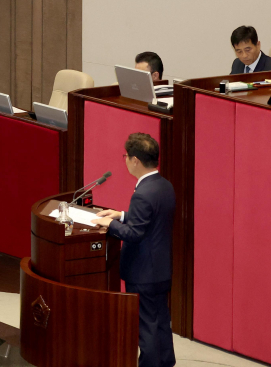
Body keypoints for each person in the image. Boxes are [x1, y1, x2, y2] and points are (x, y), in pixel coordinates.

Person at [92, 133, 176, 367]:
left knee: (146, 327)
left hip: (143, 273)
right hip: (161, 270)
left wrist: (110, 224)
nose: (126, 160)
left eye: (126, 156)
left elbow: (134, 234)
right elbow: (151, 220)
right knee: (160, 322)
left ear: (135, 160)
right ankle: (166, 363)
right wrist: (122, 215)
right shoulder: (164, 186)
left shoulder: (142, 194)